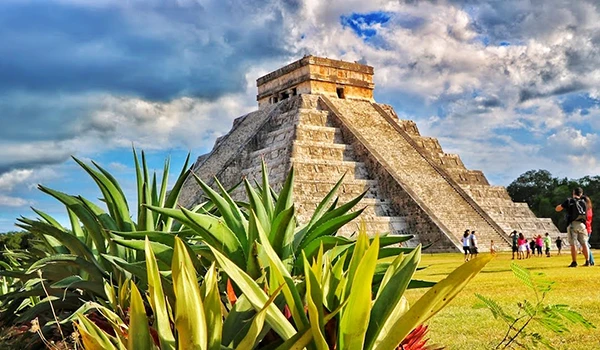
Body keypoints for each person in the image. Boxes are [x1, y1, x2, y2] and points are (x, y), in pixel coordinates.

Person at [556, 187, 590, 267]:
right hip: (582, 224)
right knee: (584, 243)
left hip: (573, 224)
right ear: (581, 194)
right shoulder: (584, 202)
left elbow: (558, 209)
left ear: (573, 193)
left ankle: (574, 262)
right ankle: (587, 261)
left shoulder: (570, 200)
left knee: (573, 244)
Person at [585, 196, 595, 266]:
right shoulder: (589, 209)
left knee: (586, 245)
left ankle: (591, 261)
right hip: (587, 229)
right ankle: (590, 261)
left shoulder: (588, 210)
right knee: (586, 245)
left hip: (587, 229)